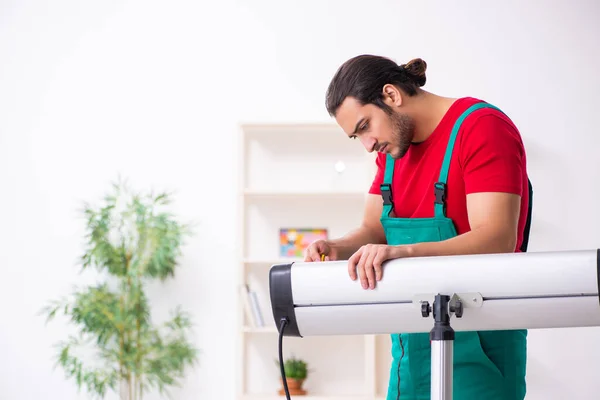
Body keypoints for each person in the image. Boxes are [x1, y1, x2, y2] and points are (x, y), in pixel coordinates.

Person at [304, 54, 531, 400]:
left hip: (482, 349)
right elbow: (373, 228)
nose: (367, 146)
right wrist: (338, 246)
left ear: (392, 95)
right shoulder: (392, 152)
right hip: (410, 352)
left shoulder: (482, 128)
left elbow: (497, 237)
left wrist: (403, 253)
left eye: (365, 126)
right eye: (356, 137)